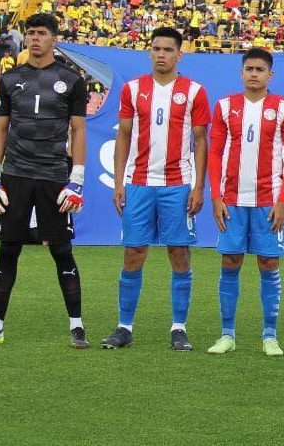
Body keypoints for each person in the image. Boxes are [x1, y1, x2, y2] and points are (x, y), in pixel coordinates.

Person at [0, 13, 89, 348]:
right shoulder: (10, 78)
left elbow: (78, 130)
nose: (34, 38)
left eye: (41, 33)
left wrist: (77, 178)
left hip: (54, 175)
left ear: (55, 40)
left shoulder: (72, 79)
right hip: (16, 174)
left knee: (62, 251)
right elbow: (1, 129)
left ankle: (77, 327)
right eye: (30, 33)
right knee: (8, 249)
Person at [100, 27, 211, 351]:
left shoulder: (194, 91)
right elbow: (122, 135)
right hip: (138, 184)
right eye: (156, 48)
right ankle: (124, 327)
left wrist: (198, 186)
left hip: (177, 185)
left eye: (167, 49)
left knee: (179, 253)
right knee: (134, 253)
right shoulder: (133, 90)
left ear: (180, 54)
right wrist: (119, 182)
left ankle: (179, 327)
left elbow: (201, 140)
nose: (161, 54)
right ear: (150, 51)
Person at [206, 48, 284, 356]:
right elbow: (215, 153)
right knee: (230, 262)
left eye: (261, 69)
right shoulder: (224, 106)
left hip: (268, 201)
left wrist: (283, 199)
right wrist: (216, 197)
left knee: (268, 263)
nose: (254, 73)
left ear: (270, 75)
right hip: (232, 200)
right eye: (249, 68)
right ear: (241, 72)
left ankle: (269, 335)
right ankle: (227, 334)